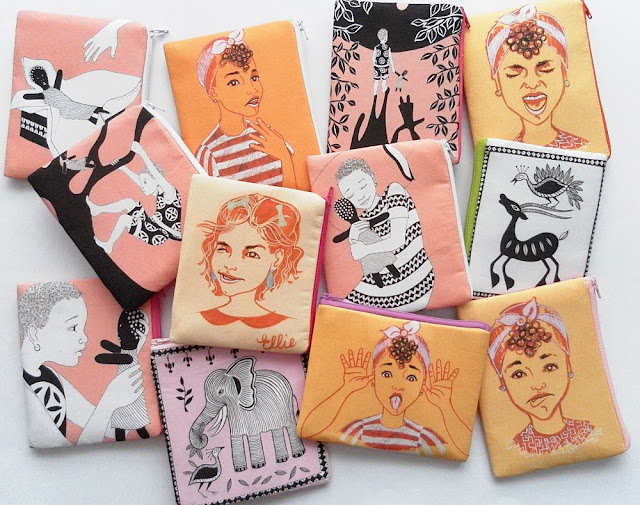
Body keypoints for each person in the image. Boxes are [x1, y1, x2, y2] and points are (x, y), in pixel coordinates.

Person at [299, 321, 471, 457]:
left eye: (411, 378)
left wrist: (445, 406)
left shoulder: (425, 438)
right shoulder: (358, 430)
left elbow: (461, 449)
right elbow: (308, 427)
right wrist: (345, 389)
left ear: (423, 385)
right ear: (373, 376)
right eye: (387, 374)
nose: (398, 386)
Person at [19, 281, 144, 447]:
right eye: (73, 328)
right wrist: (109, 403)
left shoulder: (49, 376)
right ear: (34, 334)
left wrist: (132, 351)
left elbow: (112, 431)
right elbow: (52, 441)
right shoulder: (27, 388)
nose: (84, 338)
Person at [488, 297, 596, 455]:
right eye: (519, 374)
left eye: (549, 366)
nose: (537, 385)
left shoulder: (592, 433)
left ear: (568, 365)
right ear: (502, 380)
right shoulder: (513, 449)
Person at [195, 29, 296, 187]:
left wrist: (284, 156)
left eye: (254, 77)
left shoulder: (268, 137)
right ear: (213, 92)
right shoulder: (208, 153)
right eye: (234, 82)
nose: (252, 89)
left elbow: (296, 195)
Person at [335, 157, 434, 311]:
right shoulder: (361, 221)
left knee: (342, 312)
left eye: (362, 185)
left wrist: (364, 249)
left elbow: (397, 240)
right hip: (380, 283)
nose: (360, 196)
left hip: (414, 277)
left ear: (373, 178)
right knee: (339, 312)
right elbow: (361, 256)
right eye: (350, 195)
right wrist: (353, 239)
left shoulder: (394, 192)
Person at [486, 4, 588, 149]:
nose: (532, 83)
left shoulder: (584, 148)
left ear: (564, 72)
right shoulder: (498, 152)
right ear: (498, 83)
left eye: (546, 69)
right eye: (514, 74)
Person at [198, 193, 303, 329]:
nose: (230, 265)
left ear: (277, 258)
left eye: (251, 254)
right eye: (223, 249)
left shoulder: (289, 325)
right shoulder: (195, 318)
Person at [86, 140, 182, 254]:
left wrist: (142, 153)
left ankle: (108, 245)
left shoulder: (170, 193)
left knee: (124, 219)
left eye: (145, 182)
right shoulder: (160, 193)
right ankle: (97, 210)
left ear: (156, 181)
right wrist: (123, 168)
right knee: (129, 202)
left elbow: (155, 174)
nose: (142, 187)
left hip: (158, 234)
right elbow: (140, 182)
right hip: (152, 225)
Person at [373, 28, 395, 95]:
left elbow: (373, 58)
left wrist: (374, 64)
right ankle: (384, 89)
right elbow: (390, 59)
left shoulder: (376, 47)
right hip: (385, 67)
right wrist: (393, 69)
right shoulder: (388, 48)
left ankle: (375, 92)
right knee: (384, 80)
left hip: (377, 67)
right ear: (385, 38)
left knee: (376, 81)